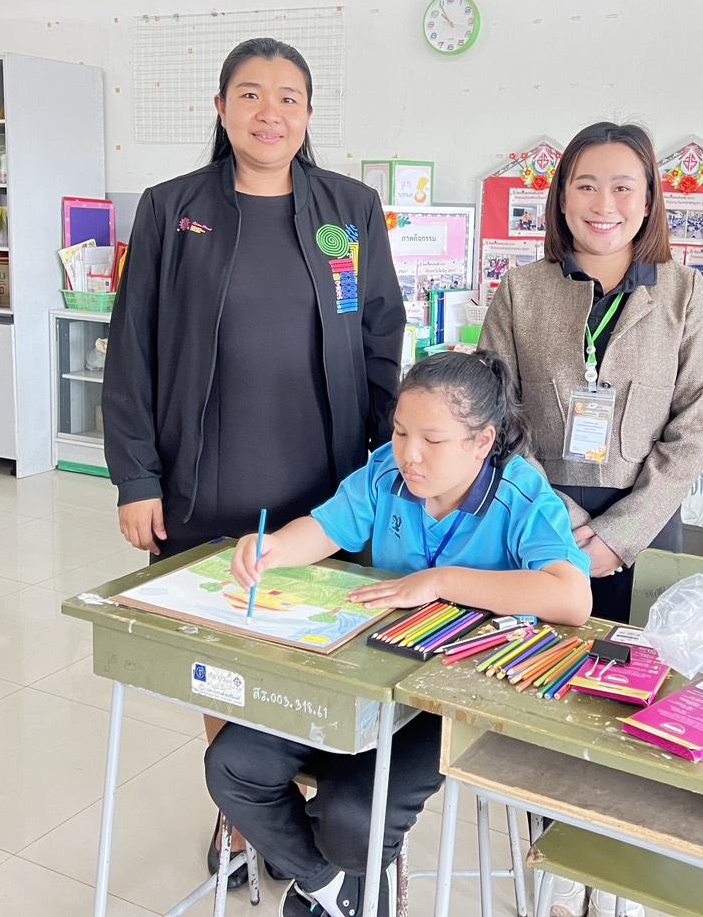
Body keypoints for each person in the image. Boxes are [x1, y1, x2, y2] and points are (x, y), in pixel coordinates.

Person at [102, 37, 406, 885]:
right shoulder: (172, 208)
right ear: (220, 108)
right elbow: (131, 349)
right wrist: (136, 478)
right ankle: (238, 811)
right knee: (219, 659)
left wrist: (382, 459)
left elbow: (381, 333)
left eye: (287, 98)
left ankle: (313, 811)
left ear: (308, 114)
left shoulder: (349, 208)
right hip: (204, 481)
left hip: (325, 485)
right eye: (249, 94)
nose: (269, 112)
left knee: (321, 651)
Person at [206, 350, 592, 917]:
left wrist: (441, 581)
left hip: (450, 694)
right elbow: (327, 526)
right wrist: (275, 548)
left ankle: (343, 885)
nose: (409, 453)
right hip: (369, 669)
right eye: (401, 431)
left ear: (482, 442)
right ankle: (332, 887)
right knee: (234, 764)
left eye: (432, 440)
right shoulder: (387, 471)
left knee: (352, 814)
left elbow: (572, 598)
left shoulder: (521, 494)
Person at [479, 121, 703, 625]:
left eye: (623, 188)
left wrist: (619, 535)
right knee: (529, 659)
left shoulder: (685, 292)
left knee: (637, 661)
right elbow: (495, 416)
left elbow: (695, 429)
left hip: (646, 525)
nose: (603, 205)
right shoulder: (520, 291)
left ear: (649, 201)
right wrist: (559, 525)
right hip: (535, 513)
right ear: (562, 198)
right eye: (586, 186)